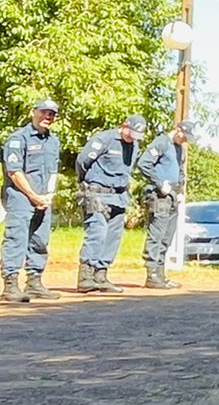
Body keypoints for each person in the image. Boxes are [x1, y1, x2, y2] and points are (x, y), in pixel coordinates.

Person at [75, 113, 147, 295]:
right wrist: (87, 183)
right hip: (97, 193)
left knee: (113, 237)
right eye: (131, 134)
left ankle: (101, 274)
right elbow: (82, 161)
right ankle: (85, 275)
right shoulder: (104, 139)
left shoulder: (134, 145)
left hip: (119, 196)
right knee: (97, 232)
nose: (133, 138)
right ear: (124, 126)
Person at [2, 99, 63, 304]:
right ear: (33, 112)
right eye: (44, 112)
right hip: (20, 197)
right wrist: (33, 196)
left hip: (43, 199)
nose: (48, 117)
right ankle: (10, 284)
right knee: (16, 239)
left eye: (52, 114)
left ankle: (34, 282)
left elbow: (53, 171)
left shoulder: (53, 141)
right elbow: (14, 172)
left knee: (40, 240)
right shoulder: (18, 139)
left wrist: (49, 195)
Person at [135, 119, 193, 289]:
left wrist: (180, 190)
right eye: (184, 136)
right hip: (159, 196)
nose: (185, 140)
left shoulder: (180, 148)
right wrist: (159, 184)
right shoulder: (161, 142)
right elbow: (144, 163)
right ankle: (152, 274)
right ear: (177, 130)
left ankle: (160, 274)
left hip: (173, 196)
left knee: (167, 237)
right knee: (157, 235)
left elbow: (181, 171)